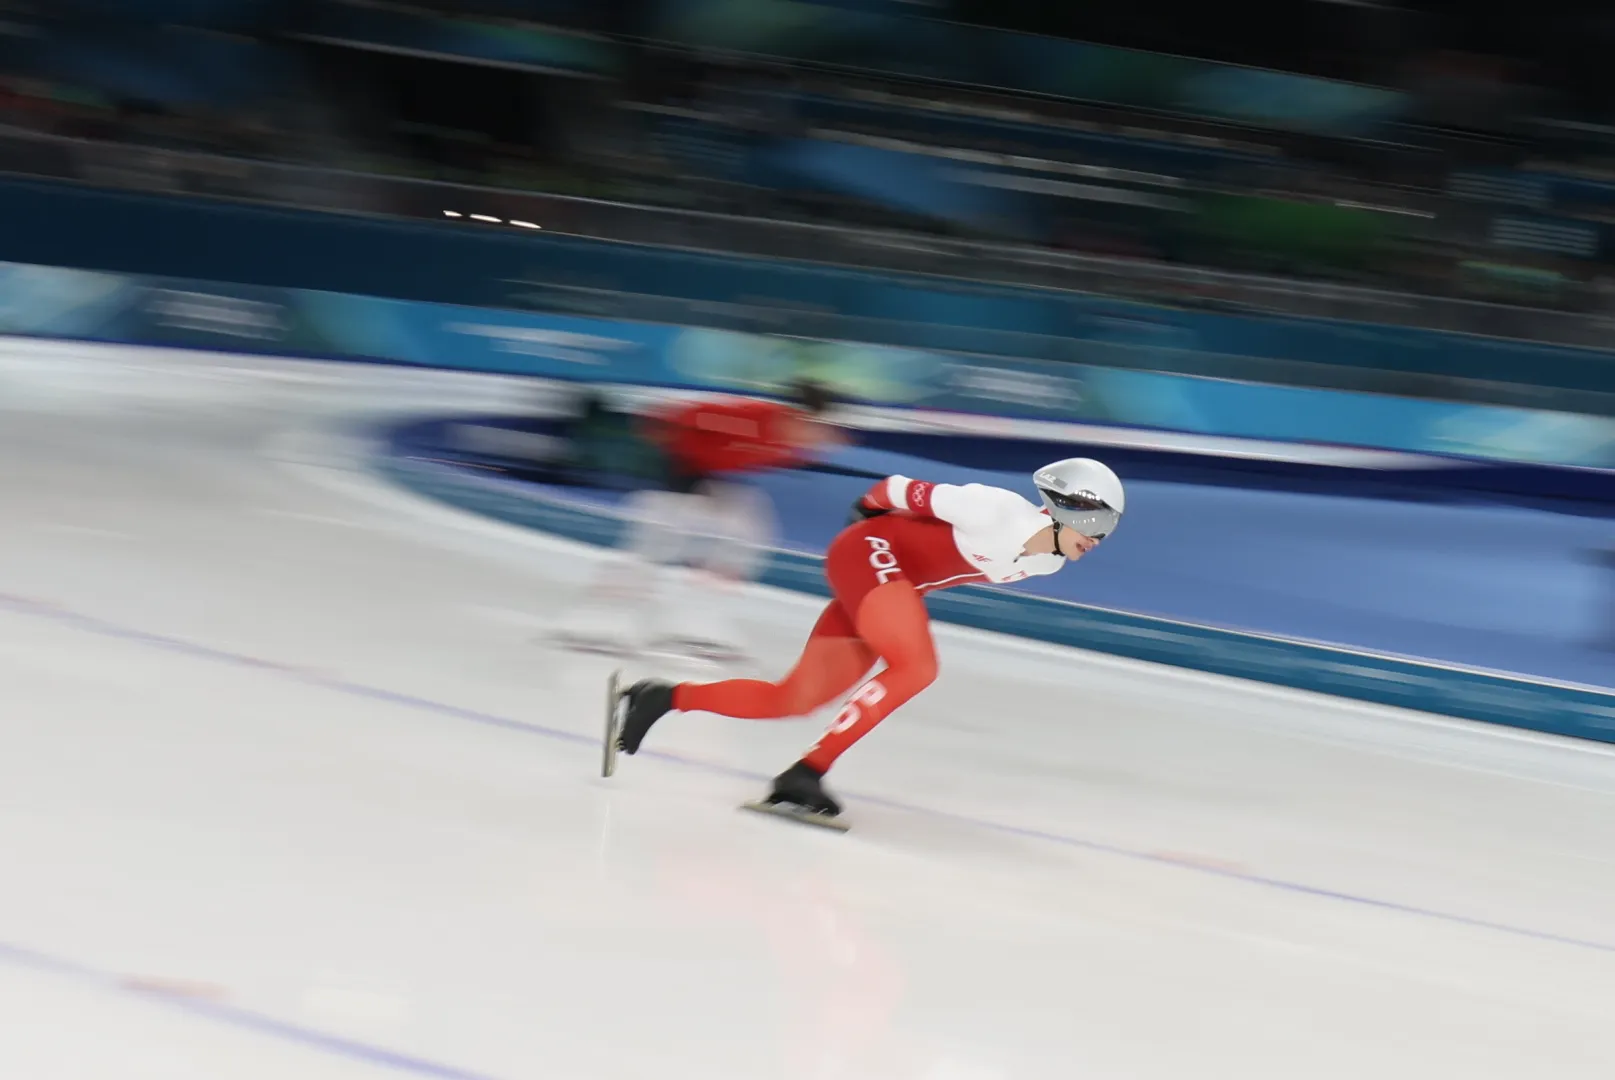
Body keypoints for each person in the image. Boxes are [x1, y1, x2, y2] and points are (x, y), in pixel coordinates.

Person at [610, 457, 1126, 820]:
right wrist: (863, 514)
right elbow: (895, 487)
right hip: (868, 554)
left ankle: (662, 697)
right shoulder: (992, 510)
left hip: (887, 586)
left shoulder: (1047, 562)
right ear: (1066, 507)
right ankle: (807, 772)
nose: (1099, 541)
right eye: (1096, 525)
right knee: (917, 665)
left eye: (1108, 531)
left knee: (793, 699)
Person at [555, 379, 844, 661]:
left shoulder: (797, 443)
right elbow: (670, 420)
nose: (820, 434)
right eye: (815, 425)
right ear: (798, 415)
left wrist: (706, 483)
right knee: (657, 542)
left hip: (705, 478)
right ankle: (596, 622)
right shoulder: (750, 418)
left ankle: (696, 621)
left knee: (748, 528)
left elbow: (729, 458)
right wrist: (683, 477)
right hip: (673, 473)